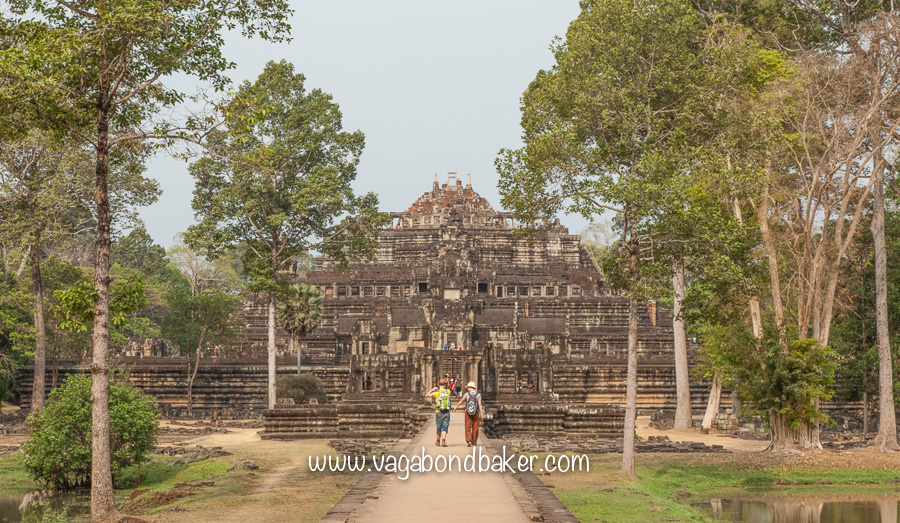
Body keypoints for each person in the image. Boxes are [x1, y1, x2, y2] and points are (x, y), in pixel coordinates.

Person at [454, 381, 484, 447]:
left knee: (468, 426)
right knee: (475, 427)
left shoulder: (467, 394)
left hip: (467, 412)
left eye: (468, 387)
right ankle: (474, 442)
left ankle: (469, 440)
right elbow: (480, 405)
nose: (467, 389)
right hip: (475, 412)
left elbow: (461, 401)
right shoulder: (478, 395)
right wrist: (481, 414)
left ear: (470, 387)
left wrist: (456, 406)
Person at [426, 378, 452, 447]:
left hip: (438, 412)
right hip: (446, 411)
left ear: (439, 384)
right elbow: (448, 388)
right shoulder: (448, 391)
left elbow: (427, 395)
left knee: (439, 427)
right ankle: (443, 441)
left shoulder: (437, 393)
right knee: (445, 427)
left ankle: (438, 441)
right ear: (445, 385)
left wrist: (432, 389)